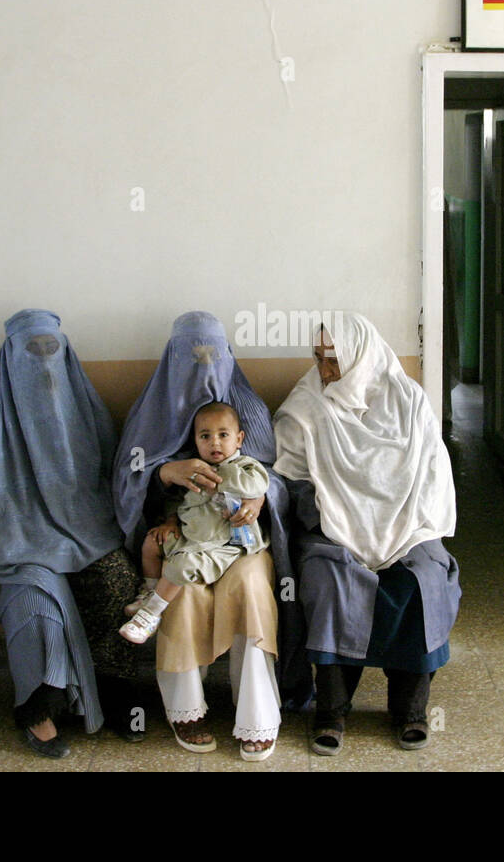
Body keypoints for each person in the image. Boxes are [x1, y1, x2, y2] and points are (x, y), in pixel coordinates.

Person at [112, 311, 308, 761]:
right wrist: (165, 471)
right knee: (184, 592)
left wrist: (261, 500)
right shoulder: (151, 412)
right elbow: (125, 478)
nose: (203, 369)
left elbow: (278, 477)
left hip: (241, 541)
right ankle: (186, 710)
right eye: (191, 358)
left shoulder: (250, 411)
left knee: (252, 588)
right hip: (185, 536)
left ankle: (257, 715)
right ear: (172, 359)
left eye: (212, 357)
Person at [274, 311, 460, 755]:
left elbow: (432, 475)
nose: (325, 371)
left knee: (423, 579)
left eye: (334, 359)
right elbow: (294, 480)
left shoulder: (408, 400)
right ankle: (332, 710)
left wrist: (399, 527)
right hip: (332, 524)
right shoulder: (306, 406)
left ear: (360, 355)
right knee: (329, 576)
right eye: (318, 358)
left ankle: (409, 708)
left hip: (408, 524)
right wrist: (341, 521)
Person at [0, 309, 143, 759]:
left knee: (116, 578)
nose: (43, 361)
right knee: (35, 602)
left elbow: (111, 482)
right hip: (17, 541)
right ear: (9, 361)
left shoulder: (85, 407)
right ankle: (39, 709)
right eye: (31, 352)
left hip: (86, 532)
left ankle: (112, 691)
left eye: (51, 349)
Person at [119, 401, 271, 643]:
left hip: (220, 545)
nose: (215, 443)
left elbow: (257, 486)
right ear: (195, 441)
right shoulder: (193, 469)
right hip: (189, 536)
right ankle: (149, 591)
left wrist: (220, 475)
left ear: (239, 439)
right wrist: (170, 522)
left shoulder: (245, 467)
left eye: (223, 435)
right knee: (151, 543)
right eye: (205, 436)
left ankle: (150, 615)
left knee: (179, 567)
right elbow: (177, 501)